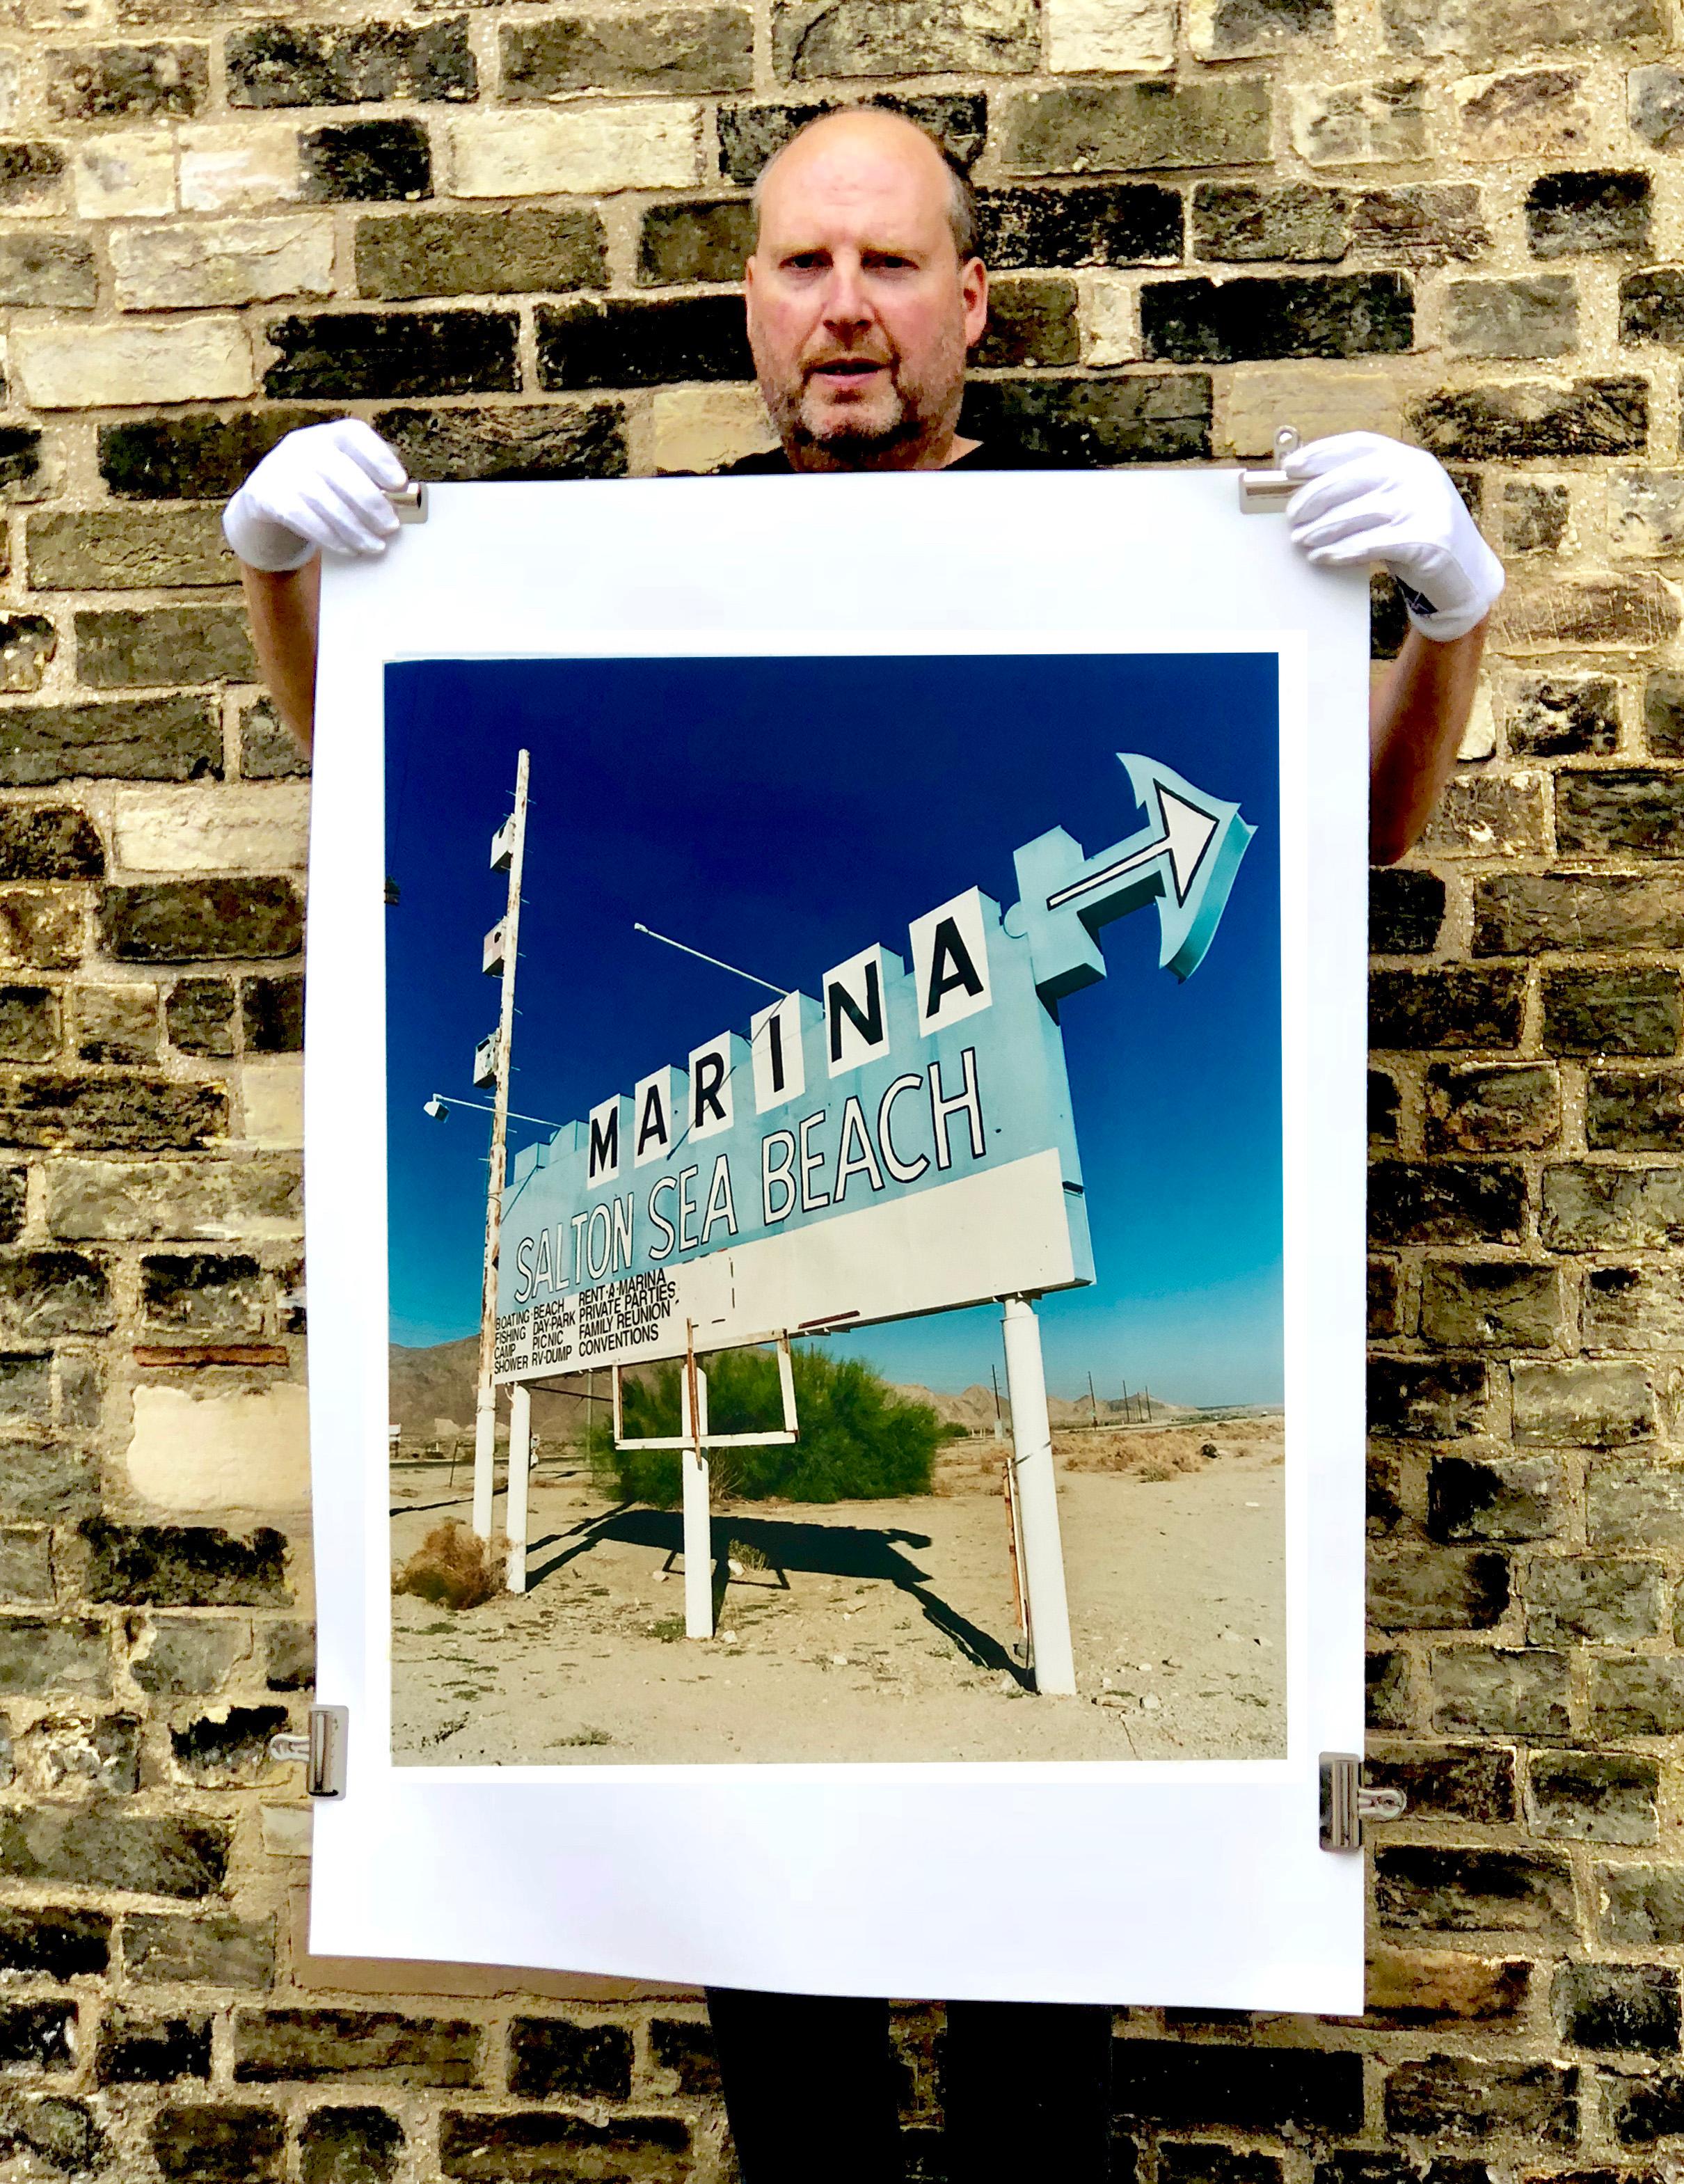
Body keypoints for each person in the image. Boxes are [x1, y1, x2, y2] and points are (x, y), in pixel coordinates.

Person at [225, 103, 1504, 2184]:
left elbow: (1348, 832)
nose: (843, 311)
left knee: (1034, 2093)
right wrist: (288, 581)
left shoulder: (1131, 552)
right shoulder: (633, 569)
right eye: (803, 265)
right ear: (748, 298)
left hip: (1038, 1810)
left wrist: (1447, 607)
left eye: (888, 265)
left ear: (969, 300)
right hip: (756, 1821)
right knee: (795, 2098)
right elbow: (354, 760)